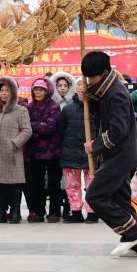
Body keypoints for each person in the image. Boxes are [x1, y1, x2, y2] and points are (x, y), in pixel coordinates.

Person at [80, 51, 137, 256]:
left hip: (121, 155)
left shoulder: (116, 93)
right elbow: (102, 110)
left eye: (92, 77)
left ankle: (133, 233)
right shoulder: (107, 90)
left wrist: (95, 145)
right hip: (120, 154)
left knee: (95, 195)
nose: (89, 81)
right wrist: (87, 99)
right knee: (121, 200)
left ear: (105, 73)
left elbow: (118, 129)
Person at [0, 77, 32, 223]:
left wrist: (15, 143)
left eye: (7, 90)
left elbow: (27, 130)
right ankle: (1, 213)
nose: (4, 93)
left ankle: (15, 213)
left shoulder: (21, 110)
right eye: (1, 91)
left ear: (13, 92)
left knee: (15, 184)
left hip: (12, 153)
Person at [24, 77, 64, 223]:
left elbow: (49, 128)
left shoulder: (54, 106)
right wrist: (37, 127)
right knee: (36, 184)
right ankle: (39, 212)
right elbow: (26, 127)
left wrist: (33, 125)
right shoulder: (29, 107)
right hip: (34, 152)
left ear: (47, 92)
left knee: (54, 183)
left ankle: (54, 212)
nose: (38, 92)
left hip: (53, 152)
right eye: (36, 89)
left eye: (41, 90)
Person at [58, 79, 97, 223]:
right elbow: (61, 130)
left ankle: (92, 212)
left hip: (91, 153)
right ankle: (76, 212)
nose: (82, 88)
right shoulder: (68, 109)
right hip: (70, 152)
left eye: (85, 86)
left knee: (92, 185)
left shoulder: (96, 108)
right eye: (79, 86)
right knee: (72, 185)